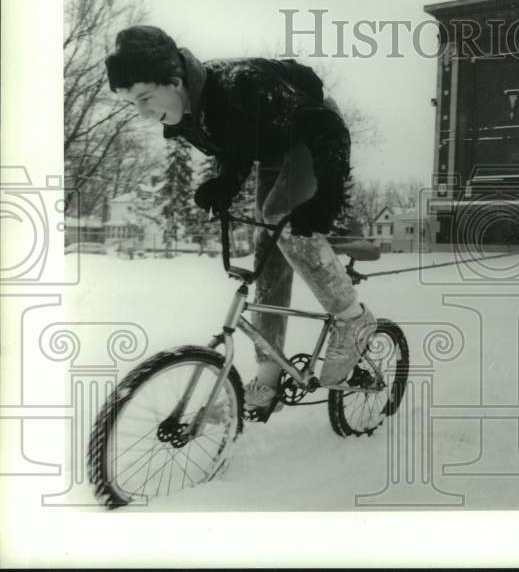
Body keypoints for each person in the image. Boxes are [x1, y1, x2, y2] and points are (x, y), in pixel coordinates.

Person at [105, 25, 376, 419]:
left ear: (175, 80)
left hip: (311, 131)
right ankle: (269, 373)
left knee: (279, 215)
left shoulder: (241, 86)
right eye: (133, 104)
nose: (143, 113)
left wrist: (327, 197)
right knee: (269, 243)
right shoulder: (185, 112)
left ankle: (353, 320)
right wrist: (226, 181)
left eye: (145, 98)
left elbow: (324, 128)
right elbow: (237, 141)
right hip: (274, 143)